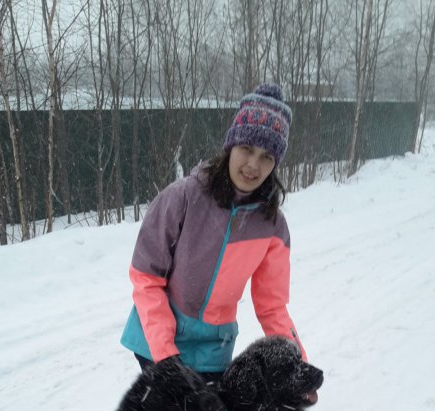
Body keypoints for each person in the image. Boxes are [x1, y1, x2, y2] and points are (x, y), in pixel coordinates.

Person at [121, 83, 307, 382]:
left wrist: (298, 366)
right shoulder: (182, 197)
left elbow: (272, 306)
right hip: (155, 340)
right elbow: (146, 278)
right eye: (247, 149)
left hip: (213, 348)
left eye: (267, 157)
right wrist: (165, 352)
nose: (253, 165)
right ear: (231, 145)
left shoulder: (272, 225)